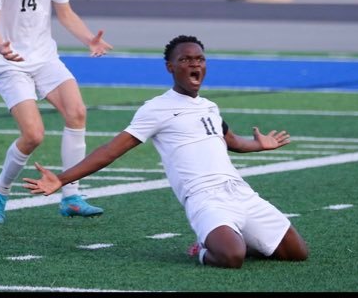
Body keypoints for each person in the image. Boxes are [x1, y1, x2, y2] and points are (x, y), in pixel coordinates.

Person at [23, 34, 308, 268]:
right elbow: (111, 150)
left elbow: (230, 140)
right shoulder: (156, 108)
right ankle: (203, 248)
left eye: (199, 59)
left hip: (240, 192)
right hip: (206, 199)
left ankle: (236, 239)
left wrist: (258, 145)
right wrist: (62, 179)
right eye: (185, 59)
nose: (194, 64)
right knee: (230, 258)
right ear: (170, 67)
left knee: (296, 253)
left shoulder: (210, 106)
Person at [0, 0, 113, 225]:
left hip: (45, 58)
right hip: (10, 63)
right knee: (33, 135)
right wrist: (2, 45)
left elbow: (65, 13)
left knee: (77, 112)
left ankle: (71, 195)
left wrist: (90, 40)